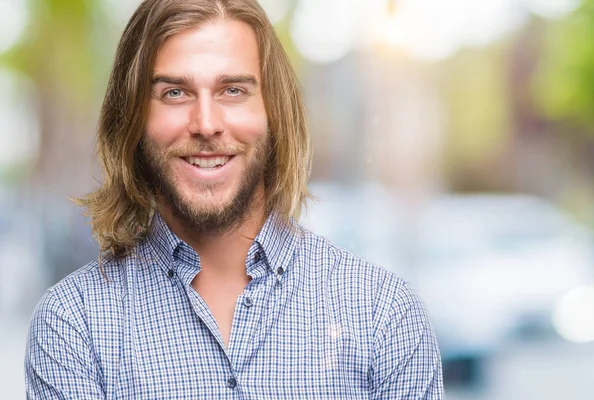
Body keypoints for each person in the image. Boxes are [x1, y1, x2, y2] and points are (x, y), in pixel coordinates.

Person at [24, 0, 444, 398]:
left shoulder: (383, 314)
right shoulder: (74, 325)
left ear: (274, 113)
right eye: (175, 93)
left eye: (233, 91)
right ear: (132, 119)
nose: (206, 124)